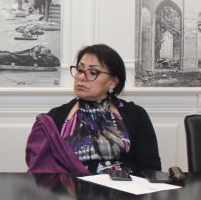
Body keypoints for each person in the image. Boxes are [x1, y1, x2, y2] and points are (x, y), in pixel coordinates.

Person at [25, 44, 161, 175]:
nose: (81, 77)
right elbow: (42, 170)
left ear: (113, 82)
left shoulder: (135, 115)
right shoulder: (55, 118)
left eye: (93, 72)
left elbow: (150, 169)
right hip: (70, 189)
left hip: (124, 189)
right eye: (80, 70)